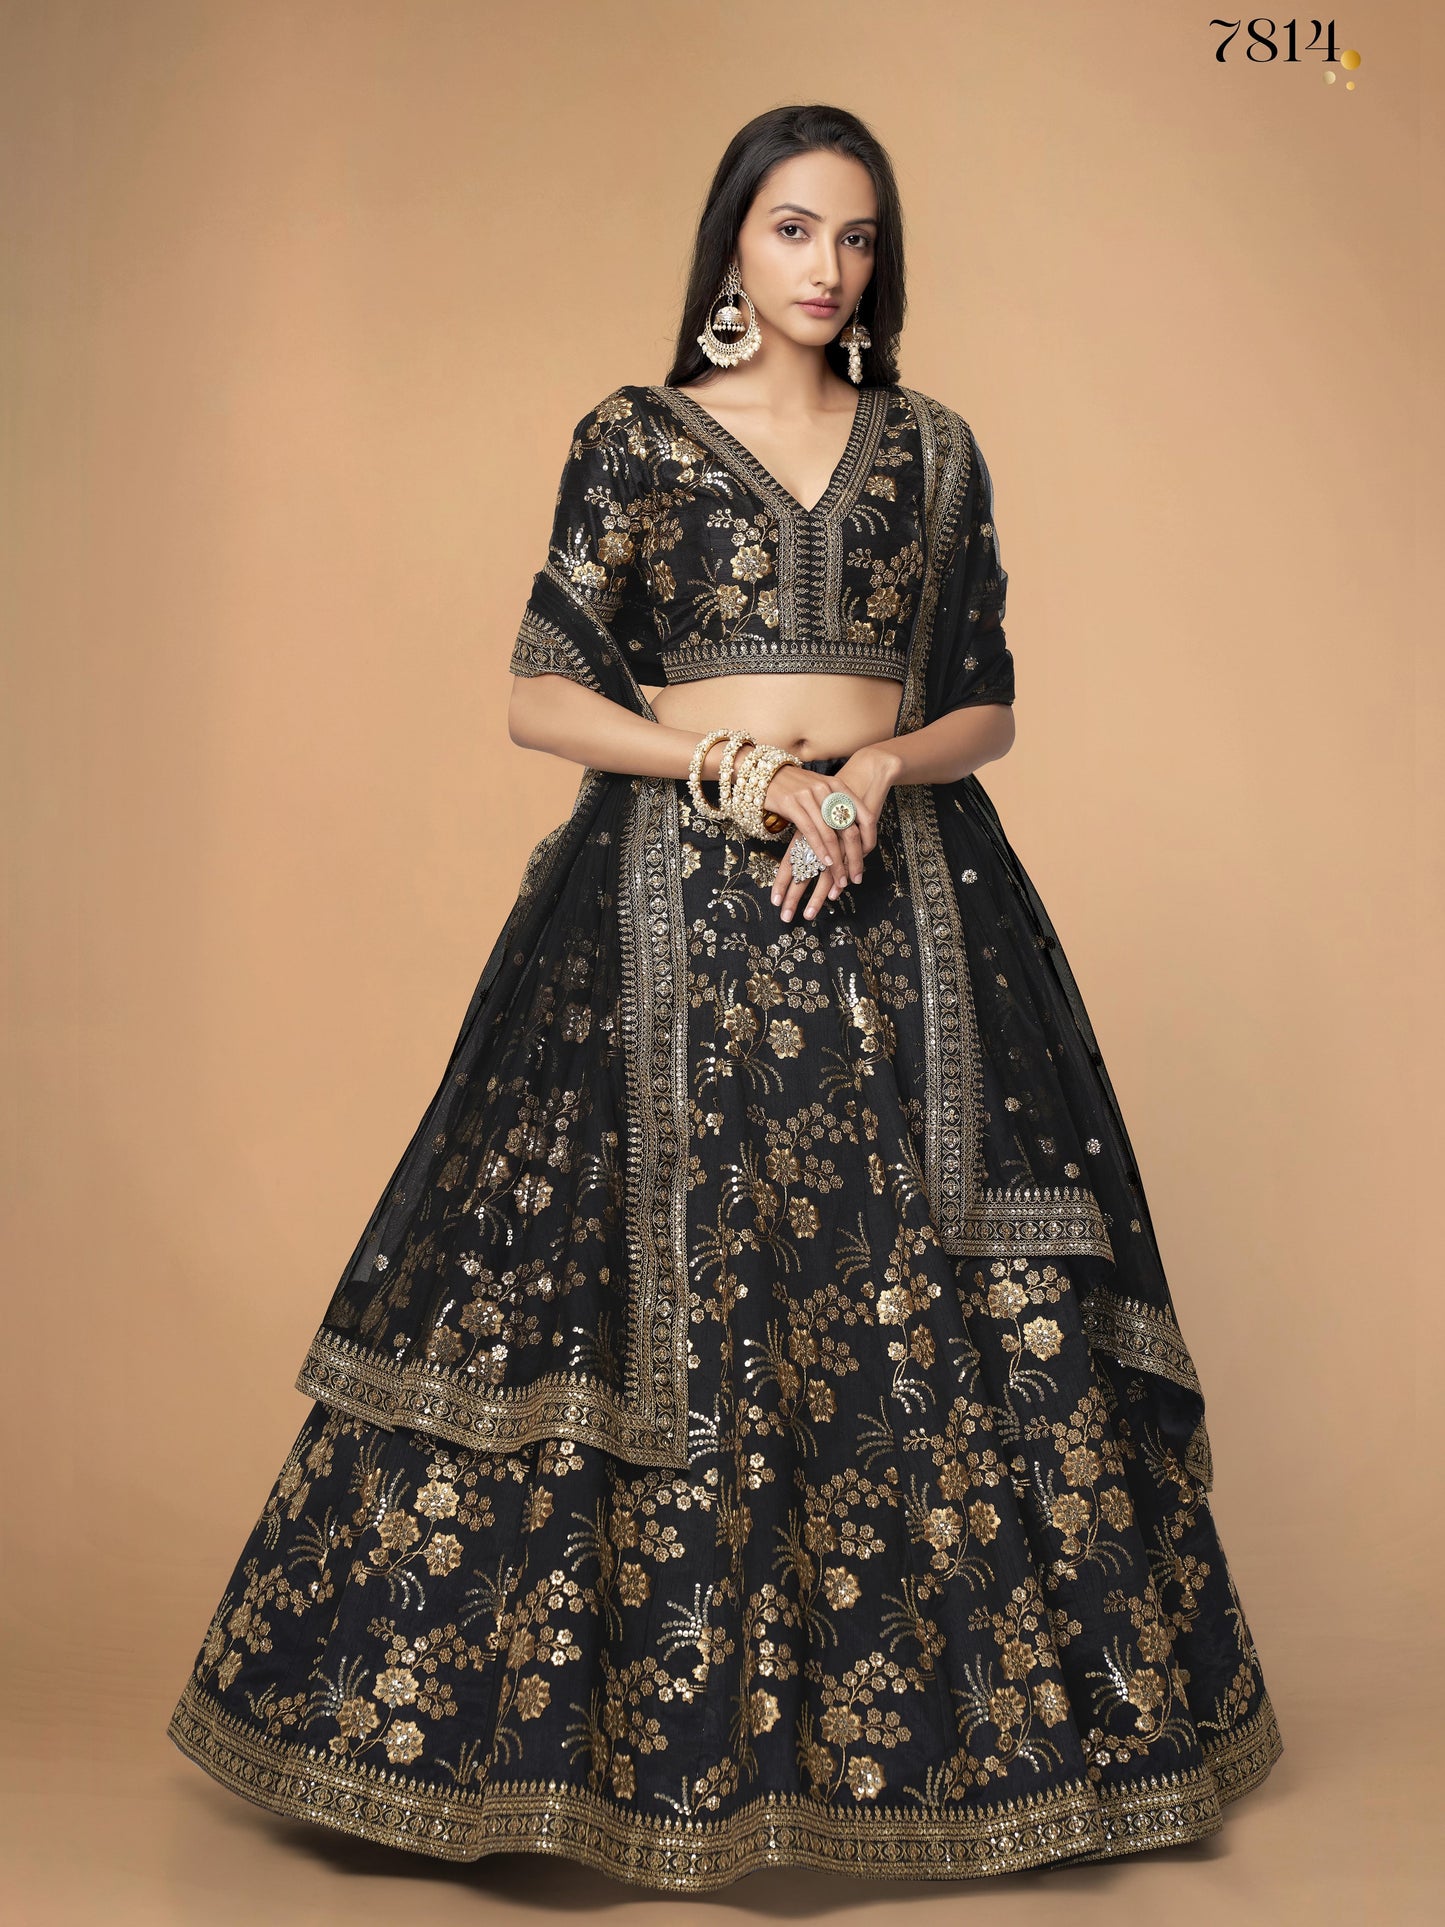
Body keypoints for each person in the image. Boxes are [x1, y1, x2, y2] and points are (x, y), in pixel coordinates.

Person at [167, 104, 1282, 1888]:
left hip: (910, 894)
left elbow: (984, 702)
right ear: (731, 249)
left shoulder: (933, 450)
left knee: (915, 1305)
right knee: (637, 1287)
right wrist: (737, 772)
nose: (829, 268)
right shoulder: (634, 438)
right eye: (793, 230)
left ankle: (973, 1760)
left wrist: (874, 773)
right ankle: (608, 1766)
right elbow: (543, 694)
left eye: (857, 237)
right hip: (667, 904)